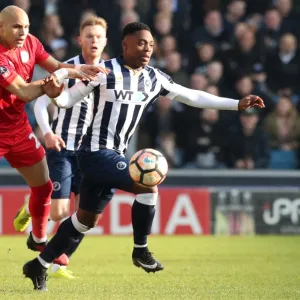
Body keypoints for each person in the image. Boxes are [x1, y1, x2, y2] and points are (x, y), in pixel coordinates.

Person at [23, 22, 264, 291]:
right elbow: (68, 100)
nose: (147, 48)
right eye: (141, 43)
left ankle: (39, 265)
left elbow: (192, 96)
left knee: (83, 221)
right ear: (125, 45)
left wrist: (236, 104)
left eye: (150, 44)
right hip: (93, 153)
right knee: (148, 184)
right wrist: (56, 96)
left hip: (114, 154)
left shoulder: (155, 78)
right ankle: (141, 249)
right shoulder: (104, 73)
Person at [0, 5, 107, 260]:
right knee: (57, 206)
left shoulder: (32, 43)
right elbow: (25, 92)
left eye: (26, 27)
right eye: (16, 27)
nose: (23, 32)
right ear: (1, 27)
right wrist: (49, 85)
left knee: (43, 187)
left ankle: (38, 240)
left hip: (17, 128)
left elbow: (56, 66)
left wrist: (78, 71)